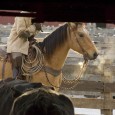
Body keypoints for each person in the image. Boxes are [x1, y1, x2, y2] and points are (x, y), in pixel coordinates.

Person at [6, 11, 42, 79]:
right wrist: (34, 27)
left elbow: (35, 31)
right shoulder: (22, 16)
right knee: (17, 58)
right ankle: (16, 79)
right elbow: (21, 33)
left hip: (28, 42)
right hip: (16, 43)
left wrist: (37, 29)